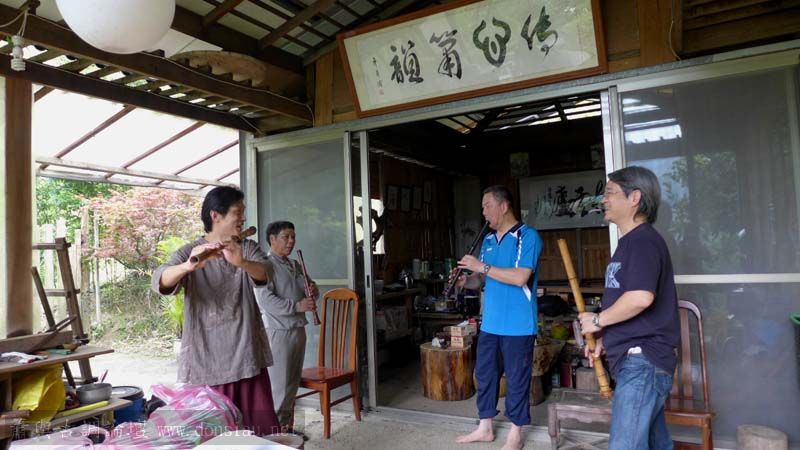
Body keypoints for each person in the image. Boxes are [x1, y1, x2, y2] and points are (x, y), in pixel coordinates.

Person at [151, 186, 279, 436]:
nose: (243, 218)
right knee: (215, 435)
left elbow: (267, 273)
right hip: (207, 360)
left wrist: (241, 262)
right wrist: (188, 266)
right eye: (238, 212)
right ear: (215, 215)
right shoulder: (190, 251)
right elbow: (160, 280)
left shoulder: (246, 247)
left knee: (260, 432)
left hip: (247, 356)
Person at [578, 166, 680, 450]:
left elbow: (639, 298)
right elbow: (627, 304)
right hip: (639, 361)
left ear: (634, 197)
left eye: (610, 192)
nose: (604, 199)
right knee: (655, 444)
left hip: (643, 363)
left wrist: (597, 320)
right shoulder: (630, 243)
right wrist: (606, 340)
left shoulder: (642, 241)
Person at [454, 185, 543, 450]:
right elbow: (481, 279)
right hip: (491, 322)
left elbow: (520, 277)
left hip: (519, 324)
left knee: (516, 379)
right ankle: (485, 428)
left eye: (487, 206)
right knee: (485, 375)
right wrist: (465, 281)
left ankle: (516, 433)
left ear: (503, 206)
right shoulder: (489, 241)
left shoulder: (528, 236)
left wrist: (481, 266)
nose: (483, 212)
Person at [255, 221, 318, 431]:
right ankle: (273, 432)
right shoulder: (264, 265)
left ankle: (286, 428)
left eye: (293, 237)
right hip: (278, 332)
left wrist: (312, 289)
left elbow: (308, 288)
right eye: (286, 237)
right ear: (272, 239)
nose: (291, 241)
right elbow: (265, 300)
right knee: (279, 386)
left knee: (292, 383)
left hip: (297, 329)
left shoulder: (294, 264)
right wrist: (297, 305)